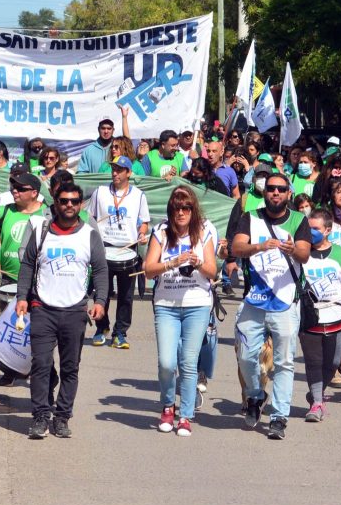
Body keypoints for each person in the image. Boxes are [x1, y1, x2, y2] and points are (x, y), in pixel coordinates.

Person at [15, 182, 108, 439]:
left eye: (74, 201)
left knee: (70, 368)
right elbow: (27, 265)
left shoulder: (89, 234)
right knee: (41, 365)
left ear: (81, 204)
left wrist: (100, 300)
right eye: (64, 200)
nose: (69, 205)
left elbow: (100, 270)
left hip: (75, 311)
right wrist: (22, 296)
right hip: (43, 308)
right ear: (55, 202)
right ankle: (40, 417)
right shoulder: (41, 231)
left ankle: (62, 416)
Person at [228, 171, 311, 440]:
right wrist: (260, 246)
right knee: (246, 356)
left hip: (286, 302)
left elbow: (305, 254)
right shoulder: (250, 218)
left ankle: (279, 416)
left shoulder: (299, 220)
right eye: (271, 189)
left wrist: (291, 250)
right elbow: (237, 248)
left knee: (284, 362)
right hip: (255, 299)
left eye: (280, 189)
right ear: (264, 193)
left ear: (289, 194)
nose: (275, 193)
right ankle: (255, 396)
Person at [143, 186, 217, 437]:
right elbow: (148, 270)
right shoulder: (161, 231)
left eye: (186, 208)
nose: (182, 212)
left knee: (187, 362)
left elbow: (213, 271)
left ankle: (185, 415)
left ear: (193, 210)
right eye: (177, 208)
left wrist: (198, 262)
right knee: (166, 362)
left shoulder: (204, 231)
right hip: (166, 304)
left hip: (197, 303)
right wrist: (172, 262)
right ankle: (167, 406)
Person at [0, 172, 46, 385]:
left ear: (34, 193)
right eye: (13, 188)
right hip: (9, 280)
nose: (15, 191)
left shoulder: (46, 214)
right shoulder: (4, 211)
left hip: (38, 281)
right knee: (12, 325)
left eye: (21, 188)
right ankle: (11, 367)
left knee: (37, 328)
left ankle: (37, 370)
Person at [300, 208, 341, 422]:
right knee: (313, 362)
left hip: (336, 315)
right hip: (310, 316)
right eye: (308, 228)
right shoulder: (301, 252)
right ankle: (317, 402)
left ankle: (316, 392)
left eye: (315, 229)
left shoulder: (340, 252)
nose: (310, 232)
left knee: (333, 361)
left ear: (327, 230)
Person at [88, 156, 150, 349]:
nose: (115, 173)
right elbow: (91, 218)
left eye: (120, 169)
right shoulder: (100, 192)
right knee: (102, 293)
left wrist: (141, 234)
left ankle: (120, 333)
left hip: (128, 250)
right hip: (104, 249)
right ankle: (101, 328)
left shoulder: (139, 195)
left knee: (126, 296)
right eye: (114, 169)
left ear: (128, 173)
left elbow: (144, 222)